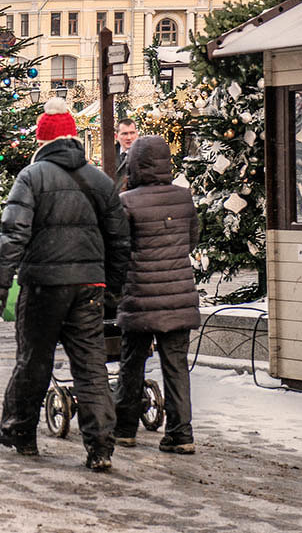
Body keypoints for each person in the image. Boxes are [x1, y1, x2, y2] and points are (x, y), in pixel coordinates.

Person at [0, 97, 130, 472]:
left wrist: (1, 285)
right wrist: (111, 287)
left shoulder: (31, 178)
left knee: (33, 360)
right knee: (91, 366)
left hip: (42, 285)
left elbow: (13, 232)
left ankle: (21, 432)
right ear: (73, 138)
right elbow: (120, 238)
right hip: (89, 287)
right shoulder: (100, 180)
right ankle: (100, 446)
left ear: (42, 141)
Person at [112, 135, 201, 455]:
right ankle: (181, 434)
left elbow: (120, 250)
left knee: (132, 363)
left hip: (140, 296)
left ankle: (124, 429)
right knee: (176, 366)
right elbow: (191, 242)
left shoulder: (128, 201)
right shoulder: (183, 198)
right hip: (178, 296)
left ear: (135, 164)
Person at [114, 118, 139, 192]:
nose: (129, 138)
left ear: (137, 134)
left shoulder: (143, 155)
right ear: (116, 136)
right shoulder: (109, 154)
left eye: (132, 133)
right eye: (124, 134)